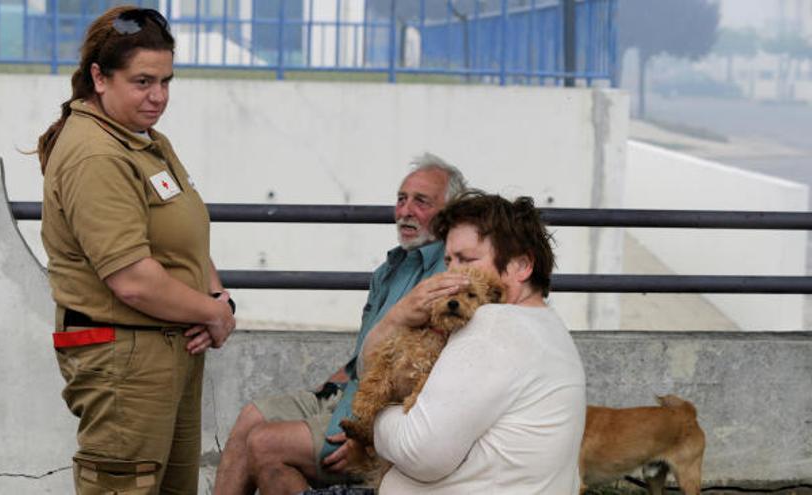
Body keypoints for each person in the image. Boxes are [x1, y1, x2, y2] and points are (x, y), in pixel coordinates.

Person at [37, 6, 236, 494]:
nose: (159, 96)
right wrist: (214, 315)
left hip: (167, 349)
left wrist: (217, 298)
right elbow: (132, 279)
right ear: (99, 78)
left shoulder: (143, 139)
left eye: (167, 81)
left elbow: (183, 232)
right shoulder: (96, 154)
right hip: (123, 360)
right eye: (143, 81)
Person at [213, 154, 467, 494]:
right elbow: (359, 355)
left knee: (265, 445)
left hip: (377, 416)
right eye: (401, 199)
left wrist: (367, 435)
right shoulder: (389, 269)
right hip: (347, 393)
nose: (405, 211)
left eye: (421, 202)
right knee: (251, 418)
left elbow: (426, 376)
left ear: (449, 213)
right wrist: (329, 391)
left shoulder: (447, 279)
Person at [370, 192, 587, 494]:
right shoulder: (547, 325)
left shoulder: (495, 324)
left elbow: (421, 453)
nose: (452, 275)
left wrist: (378, 416)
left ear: (520, 266)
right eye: (448, 261)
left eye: (467, 260)